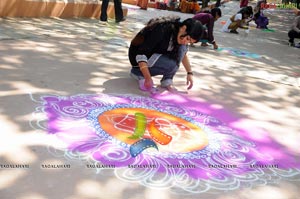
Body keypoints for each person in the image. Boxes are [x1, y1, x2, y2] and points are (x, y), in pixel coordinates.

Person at [128, 16, 203, 91]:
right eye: (187, 39)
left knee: (183, 48)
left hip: (153, 55)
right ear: (183, 28)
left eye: (189, 42)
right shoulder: (161, 29)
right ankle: (138, 73)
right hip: (137, 58)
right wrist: (148, 78)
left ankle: (167, 80)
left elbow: (183, 55)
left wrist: (189, 73)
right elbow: (141, 54)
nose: (186, 42)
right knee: (172, 64)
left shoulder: (179, 34)